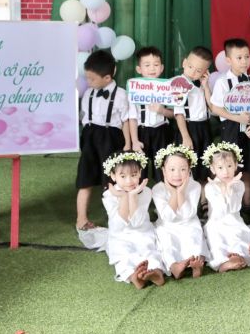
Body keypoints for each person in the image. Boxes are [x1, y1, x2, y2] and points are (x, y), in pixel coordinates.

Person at [76, 49, 131, 231]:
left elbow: (125, 120)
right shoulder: (88, 93)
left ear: (107, 77)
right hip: (90, 137)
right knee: (85, 178)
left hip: (111, 138)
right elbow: (84, 116)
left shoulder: (121, 95)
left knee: (111, 179)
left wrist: (127, 143)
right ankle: (81, 219)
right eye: (87, 78)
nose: (88, 82)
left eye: (92, 79)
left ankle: (115, 218)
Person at [102, 151, 165, 288]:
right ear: (113, 176)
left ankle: (157, 273)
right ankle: (134, 276)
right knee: (123, 254)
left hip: (142, 230)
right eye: (123, 176)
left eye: (134, 175)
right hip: (120, 235)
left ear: (140, 173)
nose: (129, 181)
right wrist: (124, 197)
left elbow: (137, 222)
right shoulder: (109, 195)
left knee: (150, 250)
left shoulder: (146, 191)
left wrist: (133, 196)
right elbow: (119, 225)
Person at [209, 38, 250, 201]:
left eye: (247, 57)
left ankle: (247, 202)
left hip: (249, 128)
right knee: (231, 164)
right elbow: (215, 108)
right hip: (231, 128)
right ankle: (230, 201)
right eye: (239, 58)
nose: (244, 61)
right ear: (228, 60)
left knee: (249, 165)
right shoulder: (223, 82)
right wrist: (237, 117)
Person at [201, 142, 250, 272]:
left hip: (234, 219)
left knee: (238, 233)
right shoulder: (210, 187)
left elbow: (234, 208)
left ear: (235, 166)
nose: (225, 171)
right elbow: (220, 211)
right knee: (217, 237)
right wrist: (223, 190)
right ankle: (222, 262)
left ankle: (239, 256)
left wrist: (230, 189)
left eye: (229, 166)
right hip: (216, 222)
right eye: (220, 168)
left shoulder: (239, 185)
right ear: (213, 169)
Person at [151, 144, 207, 279]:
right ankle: (174, 266)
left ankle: (196, 263)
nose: (177, 174)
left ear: (189, 170)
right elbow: (167, 217)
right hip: (167, 225)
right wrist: (174, 193)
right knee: (166, 239)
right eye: (172, 169)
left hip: (189, 222)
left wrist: (181, 192)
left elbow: (188, 214)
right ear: (164, 171)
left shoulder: (195, 186)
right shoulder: (158, 189)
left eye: (183, 169)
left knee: (194, 235)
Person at [126, 46, 173, 183]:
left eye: (156, 65)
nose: (152, 68)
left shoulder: (168, 88)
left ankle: (163, 194)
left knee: (163, 168)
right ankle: (140, 194)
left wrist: (162, 111)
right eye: (147, 65)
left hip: (162, 131)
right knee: (140, 169)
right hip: (142, 132)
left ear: (162, 67)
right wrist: (135, 141)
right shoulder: (134, 89)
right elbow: (132, 118)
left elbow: (174, 114)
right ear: (139, 69)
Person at [172, 46, 214, 184]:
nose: (193, 72)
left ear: (205, 71)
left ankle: (202, 194)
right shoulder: (178, 83)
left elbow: (212, 107)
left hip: (204, 128)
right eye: (190, 67)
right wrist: (185, 136)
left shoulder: (203, 83)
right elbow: (179, 113)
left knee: (204, 164)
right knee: (187, 164)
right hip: (188, 128)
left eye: (199, 70)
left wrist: (205, 86)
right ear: (184, 63)